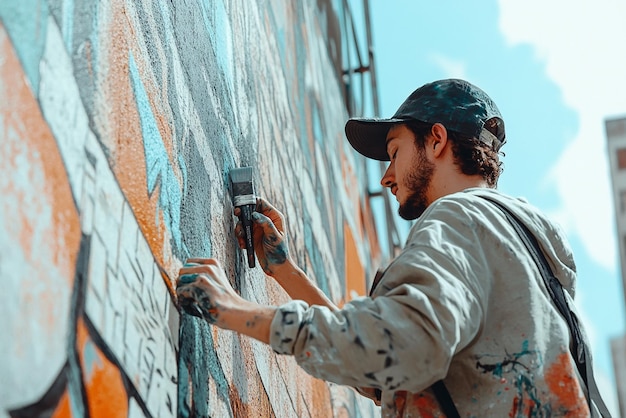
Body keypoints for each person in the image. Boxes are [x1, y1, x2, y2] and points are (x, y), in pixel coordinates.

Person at [176, 79, 608, 417]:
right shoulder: (516, 253)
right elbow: (389, 372)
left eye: (395, 151)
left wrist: (231, 309)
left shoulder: (459, 217)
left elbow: (404, 344)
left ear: (436, 140)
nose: (386, 176)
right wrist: (284, 269)